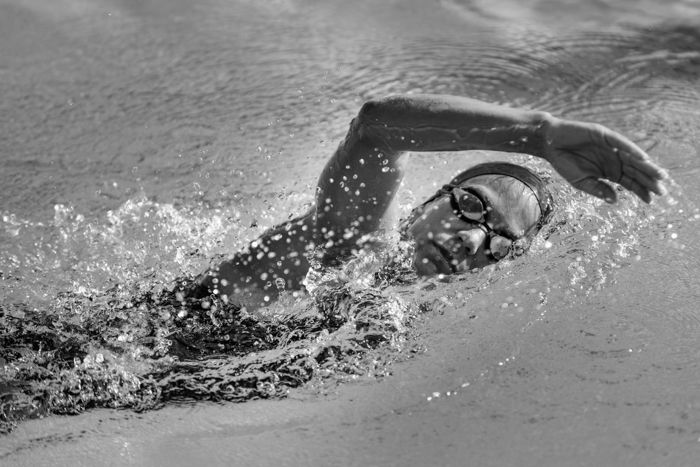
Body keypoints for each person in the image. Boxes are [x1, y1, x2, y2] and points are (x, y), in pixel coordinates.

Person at [184, 94, 666, 303]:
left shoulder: (400, 307)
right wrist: (537, 135)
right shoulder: (355, 242)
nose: (473, 239)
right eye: (473, 206)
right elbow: (375, 127)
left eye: (500, 243)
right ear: (428, 203)